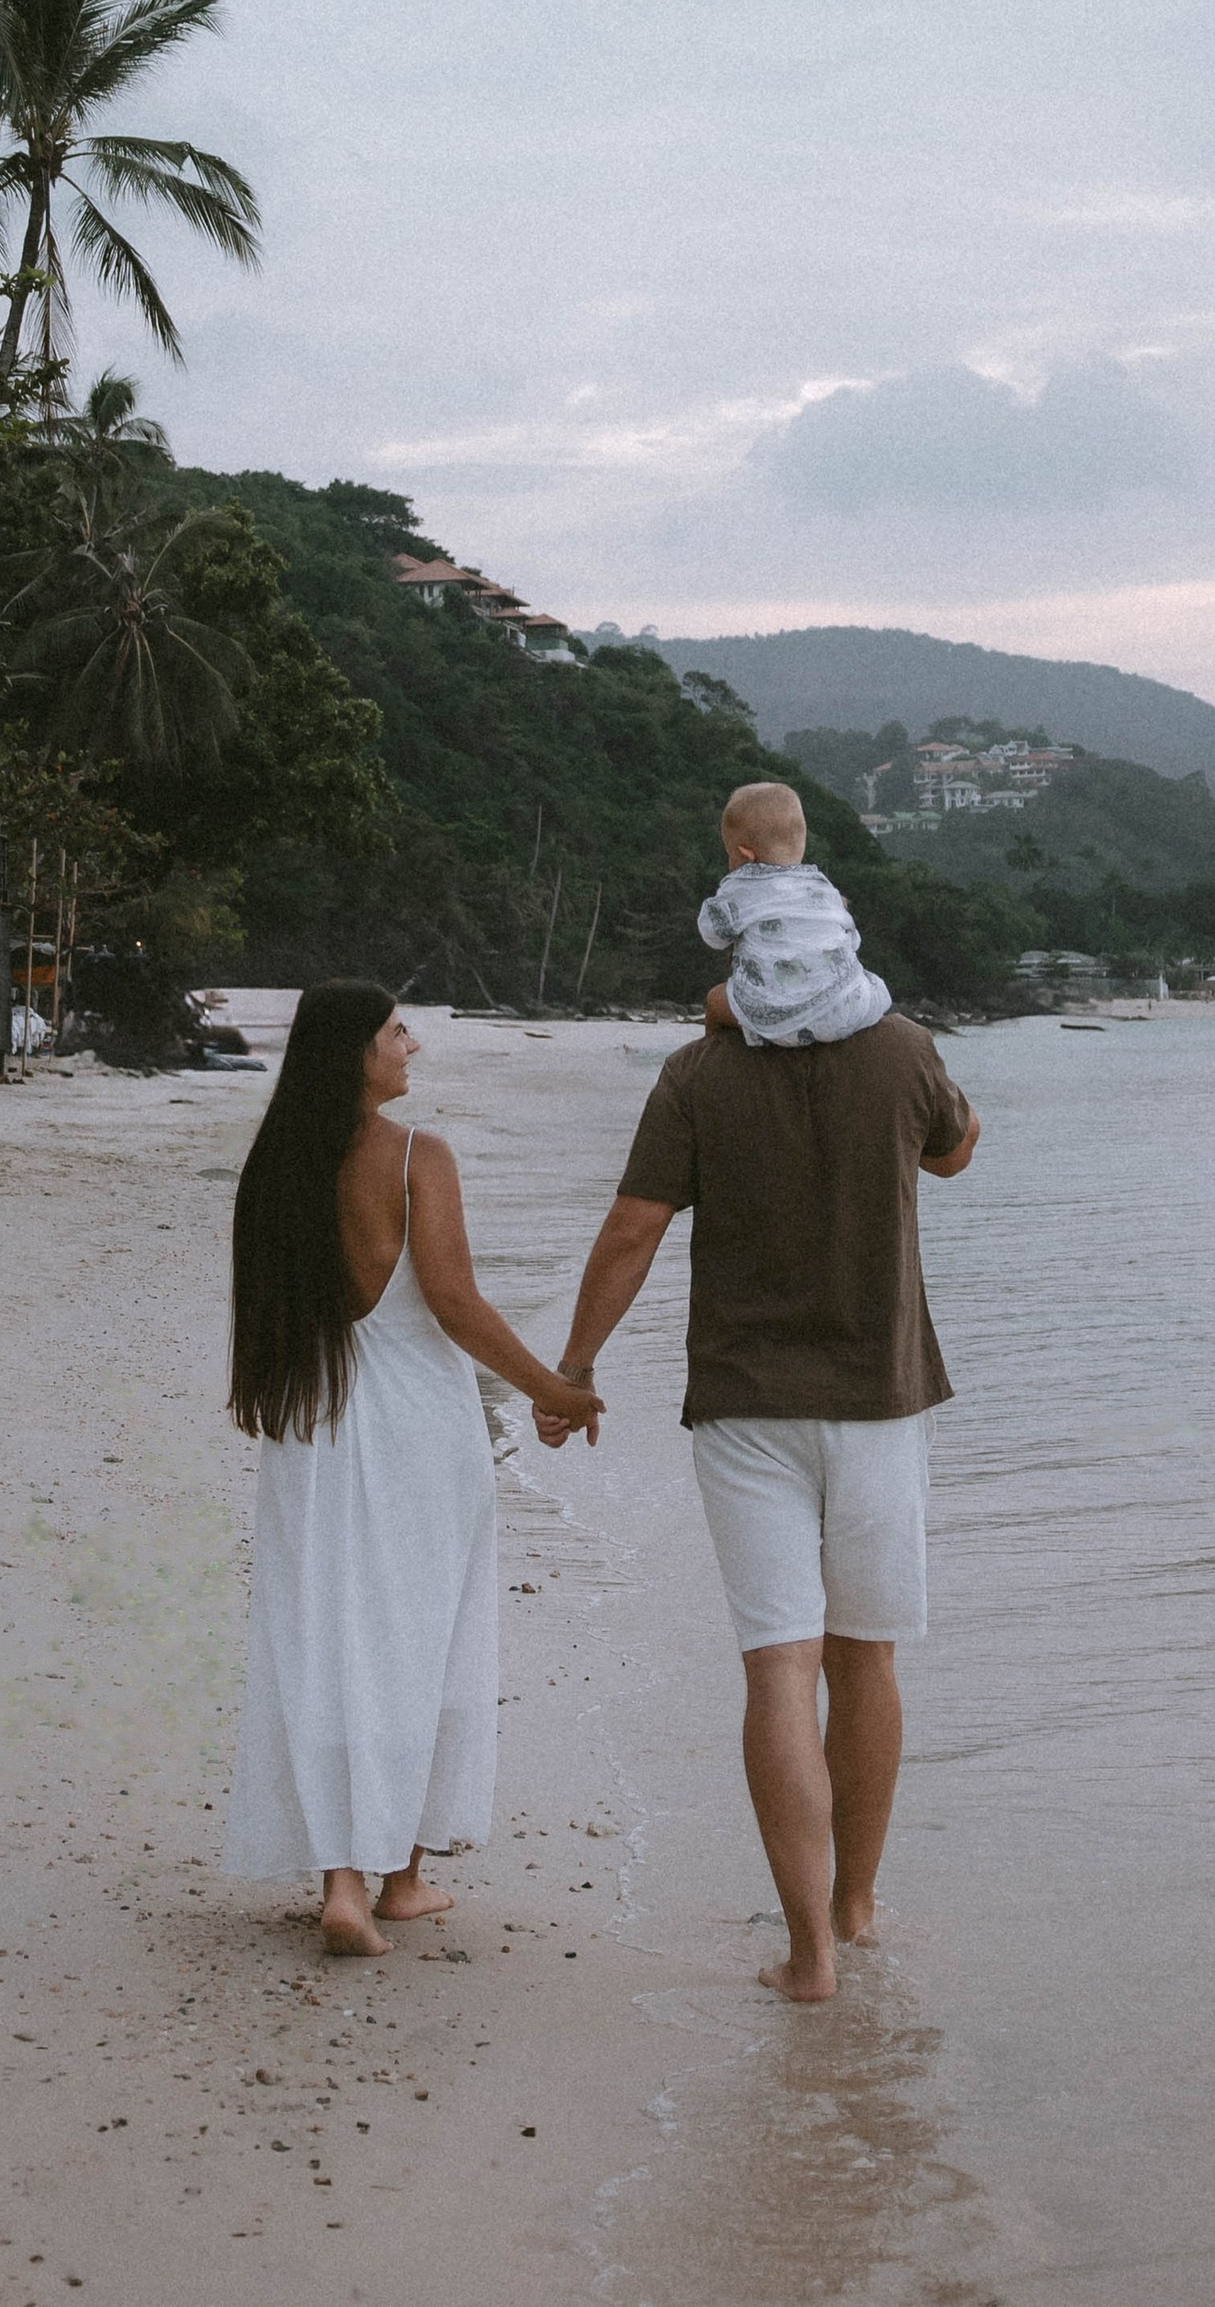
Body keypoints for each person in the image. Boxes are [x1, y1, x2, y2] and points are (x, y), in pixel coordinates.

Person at [538, 826, 981, 2005]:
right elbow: (955, 1154)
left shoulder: (696, 1074)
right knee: (866, 1655)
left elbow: (633, 1230)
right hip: (878, 1399)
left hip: (744, 1408)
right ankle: (857, 1906)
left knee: (778, 1666)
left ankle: (809, 1957)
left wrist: (574, 1368)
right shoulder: (901, 1050)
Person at [223, 978, 602, 1958]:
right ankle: (399, 1878)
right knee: (416, 1634)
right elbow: (456, 1305)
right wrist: (554, 1390)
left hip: (310, 1424)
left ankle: (345, 1881)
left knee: (330, 1632)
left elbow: (270, 1323)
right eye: (397, 1034)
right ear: (355, 1049)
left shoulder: (276, 1168)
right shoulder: (414, 1159)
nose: (411, 1050)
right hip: (413, 1430)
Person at [699, 777, 895, 1046]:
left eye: (729, 854)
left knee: (714, 1001)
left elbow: (713, 935)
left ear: (745, 855)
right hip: (846, 1010)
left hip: (777, 1019)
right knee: (873, 986)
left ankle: (712, 1064)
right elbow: (852, 941)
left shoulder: (741, 887)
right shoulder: (824, 888)